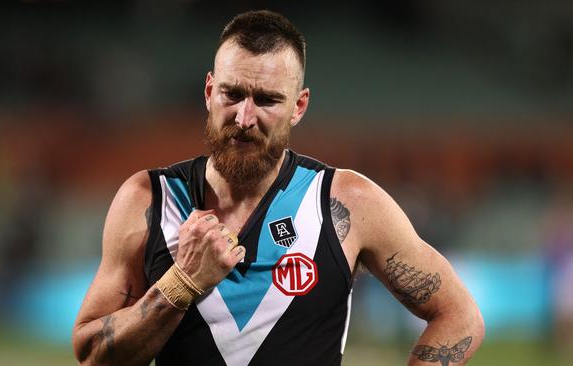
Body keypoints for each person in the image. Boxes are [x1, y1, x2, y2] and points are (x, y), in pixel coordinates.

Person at [72, 10, 484, 366]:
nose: (245, 117)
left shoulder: (347, 202)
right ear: (209, 91)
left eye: (267, 100)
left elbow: (459, 314)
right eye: (232, 95)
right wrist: (182, 284)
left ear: (298, 107)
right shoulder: (148, 199)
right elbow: (92, 355)